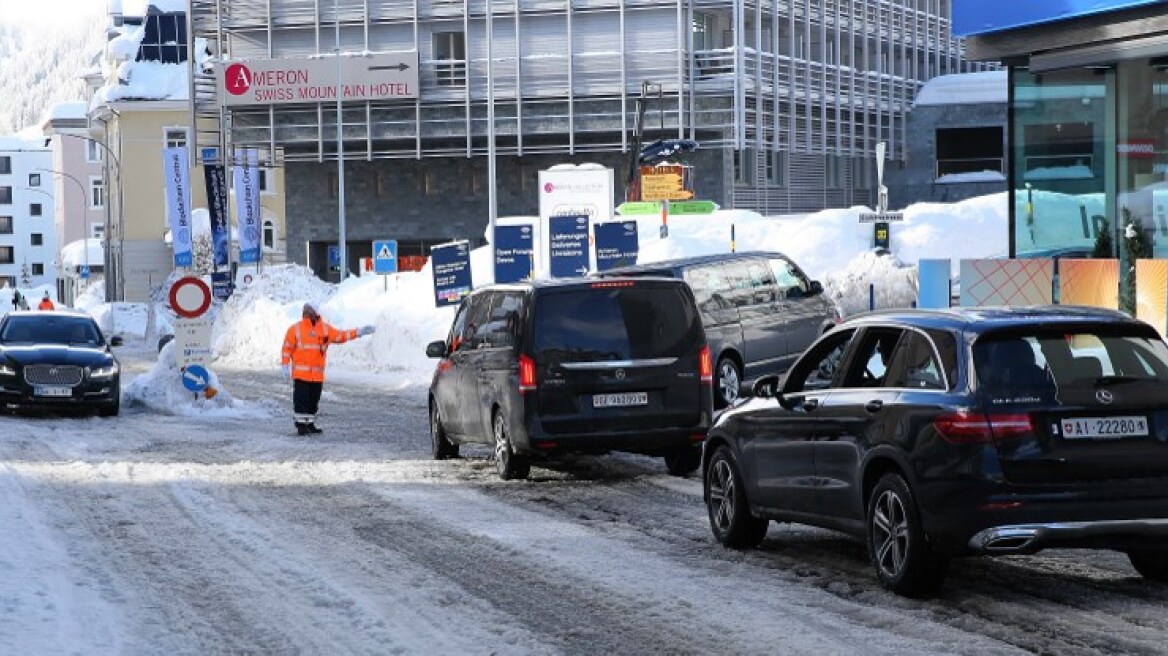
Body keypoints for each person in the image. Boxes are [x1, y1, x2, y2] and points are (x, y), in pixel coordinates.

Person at [280, 302, 375, 435]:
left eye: (309, 310)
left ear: (315, 313)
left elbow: (341, 336)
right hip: (301, 375)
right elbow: (287, 348)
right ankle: (301, 426)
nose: (306, 312)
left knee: (313, 401)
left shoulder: (324, 329)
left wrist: (358, 332)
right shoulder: (295, 329)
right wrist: (285, 364)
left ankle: (310, 423)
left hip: (317, 376)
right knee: (301, 400)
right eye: (305, 310)